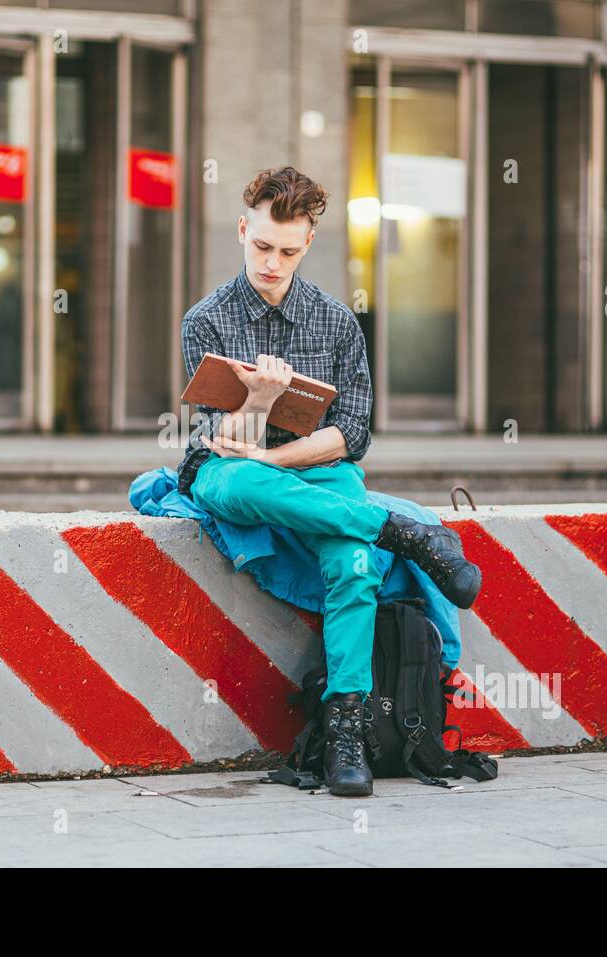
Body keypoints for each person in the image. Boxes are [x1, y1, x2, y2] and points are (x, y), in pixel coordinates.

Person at [175, 166, 483, 798]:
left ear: (308, 244)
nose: (272, 262)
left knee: (354, 567)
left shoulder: (339, 323)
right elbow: (221, 439)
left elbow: (353, 434)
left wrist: (273, 462)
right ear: (243, 230)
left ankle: (347, 728)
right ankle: (400, 530)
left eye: (288, 251)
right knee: (230, 486)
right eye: (261, 246)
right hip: (230, 472)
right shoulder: (203, 319)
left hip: (312, 469)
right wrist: (259, 403)